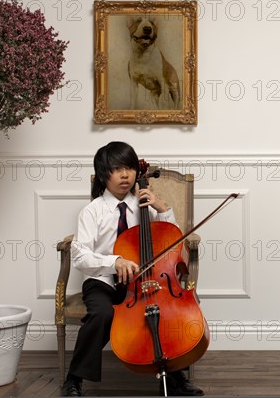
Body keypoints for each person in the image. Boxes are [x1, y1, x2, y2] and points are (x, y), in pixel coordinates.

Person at [61, 141, 204, 397]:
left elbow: (172, 244)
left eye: (129, 168)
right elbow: (80, 255)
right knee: (102, 314)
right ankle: (74, 379)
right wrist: (113, 262)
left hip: (144, 281)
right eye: (117, 169)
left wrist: (163, 209)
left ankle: (174, 378)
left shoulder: (145, 207)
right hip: (103, 281)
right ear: (104, 174)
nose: (125, 174)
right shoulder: (92, 211)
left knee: (160, 312)